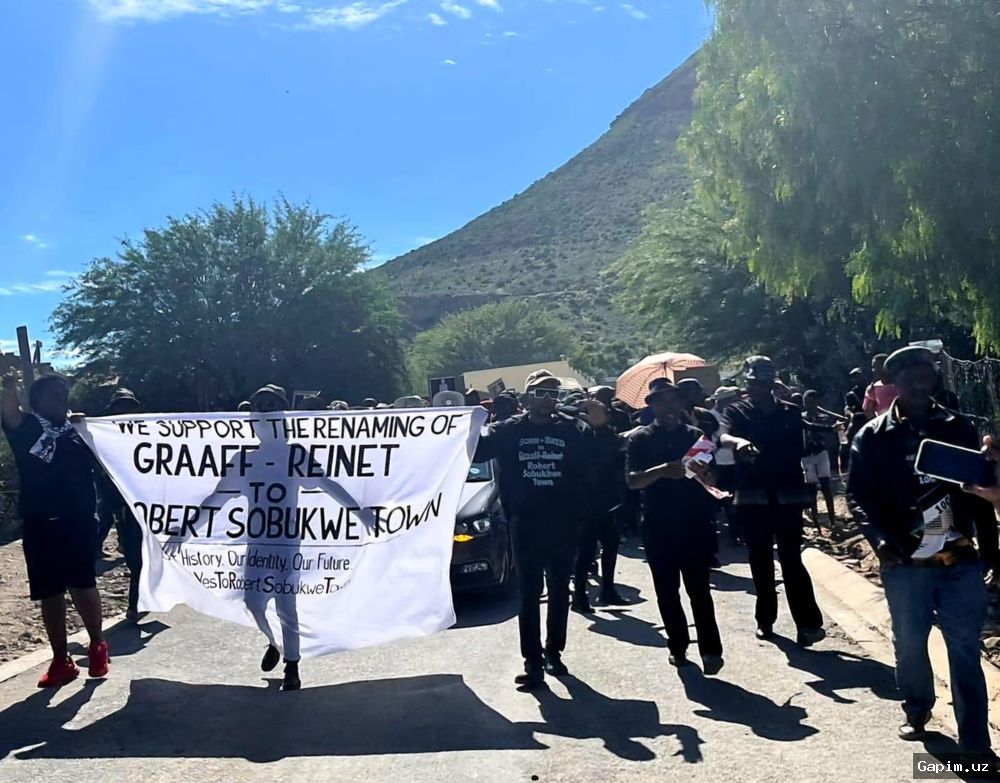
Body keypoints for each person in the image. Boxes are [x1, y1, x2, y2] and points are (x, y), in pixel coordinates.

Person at [848, 347, 998, 754]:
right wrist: (879, 543)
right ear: (892, 381)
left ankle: (976, 747)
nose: (919, 377)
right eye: (908, 372)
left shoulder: (959, 428)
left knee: (965, 648)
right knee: (910, 642)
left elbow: (982, 493)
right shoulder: (872, 436)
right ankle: (917, 709)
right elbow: (857, 497)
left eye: (925, 370)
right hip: (904, 558)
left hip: (959, 557)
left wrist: (992, 553)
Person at [474, 369, 594, 689]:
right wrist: (465, 423)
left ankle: (554, 651)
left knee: (559, 591)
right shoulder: (507, 430)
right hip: (524, 524)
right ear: (527, 397)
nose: (547, 399)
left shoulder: (573, 430)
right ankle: (533, 662)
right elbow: (475, 450)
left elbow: (590, 471)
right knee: (528, 593)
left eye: (553, 393)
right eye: (541, 392)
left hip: (562, 524)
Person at [1, 371, 110, 687]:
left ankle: (97, 645)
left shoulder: (79, 431)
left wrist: (90, 428)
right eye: (53, 396)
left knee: (82, 583)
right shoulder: (27, 428)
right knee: (49, 593)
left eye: (64, 395)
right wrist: (9, 387)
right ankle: (61, 659)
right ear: (36, 402)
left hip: (79, 520)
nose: (61, 401)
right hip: (39, 522)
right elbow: (9, 411)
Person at [719, 357, 826, 646]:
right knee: (760, 559)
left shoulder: (790, 412)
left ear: (773, 385)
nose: (760, 388)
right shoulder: (736, 411)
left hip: (787, 493)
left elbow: (803, 444)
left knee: (792, 559)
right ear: (748, 385)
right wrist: (738, 443)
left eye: (766, 383)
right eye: (755, 383)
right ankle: (765, 620)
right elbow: (723, 435)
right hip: (752, 496)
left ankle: (808, 624)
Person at [627, 379, 724, 674]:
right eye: (661, 402)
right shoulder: (639, 439)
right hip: (658, 525)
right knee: (667, 592)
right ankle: (678, 646)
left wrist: (704, 473)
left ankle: (711, 650)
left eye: (672, 401)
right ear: (652, 407)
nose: (668, 407)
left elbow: (713, 481)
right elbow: (632, 481)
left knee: (699, 590)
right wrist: (660, 471)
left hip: (694, 522)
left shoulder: (697, 435)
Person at [96, 388, 145, 622]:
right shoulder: (103, 438)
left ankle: (142, 601)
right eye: (119, 407)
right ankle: (135, 605)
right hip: (124, 509)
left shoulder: (147, 435)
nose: (124, 411)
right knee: (135, 558)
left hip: (151, 509)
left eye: (128, 406)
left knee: (151, 557)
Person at [572, 399, 626, 612]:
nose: (598, 415)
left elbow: (618, 455)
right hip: (585, 502)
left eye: (600, 411)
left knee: (611, 546)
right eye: (593, 411)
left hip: (608, 500)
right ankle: (579, 596)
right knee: (585, 550)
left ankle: (608, 590)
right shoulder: (579, 435)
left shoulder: (609, 435)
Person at [801, 390, 840, 532]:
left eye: (815, 401)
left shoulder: (822, 417)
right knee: (811, 489)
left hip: (821, 453)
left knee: (826, 487)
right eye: (810, 401)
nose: (813, 404)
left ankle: (832, 520)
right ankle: (817, 523)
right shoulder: (801, 418)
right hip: (806, 456)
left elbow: (833, 424)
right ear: (805, 403)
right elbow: (809, 426)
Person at [863, 353, 898, 418]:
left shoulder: (901, 384)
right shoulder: (872, 388)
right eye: (874, 367)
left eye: (879, 366)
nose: (875, 370)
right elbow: (868, 411)